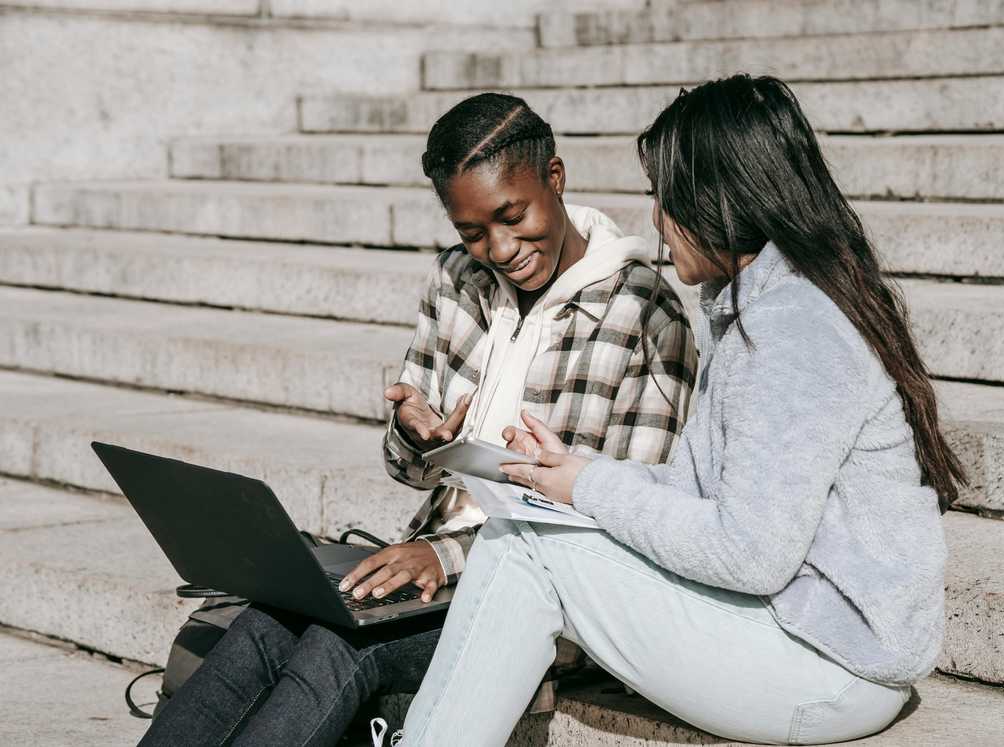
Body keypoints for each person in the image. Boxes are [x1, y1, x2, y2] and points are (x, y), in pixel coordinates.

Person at [395, 75, 964, 746]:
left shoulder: (795, 330)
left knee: (525, 550)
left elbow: (750, 552)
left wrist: (590, 487)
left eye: (663, 198)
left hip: (831, 668)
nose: (658, 222)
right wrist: (572, 470)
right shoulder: (761, 307)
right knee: (529, 536)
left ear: (717, 201)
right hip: (793, 631)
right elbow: (700, 493)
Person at [138, 93, 697, 746]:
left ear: (555, 177)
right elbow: (411, 470)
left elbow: (626, 519)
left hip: (554, 601)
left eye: (512, 216)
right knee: (267, 621)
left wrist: (448, 555)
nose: (500, 247)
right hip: (434, 572)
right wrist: (414, 439)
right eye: (472, 231)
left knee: (339, 644)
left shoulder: (645, 316)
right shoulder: (457, 279)